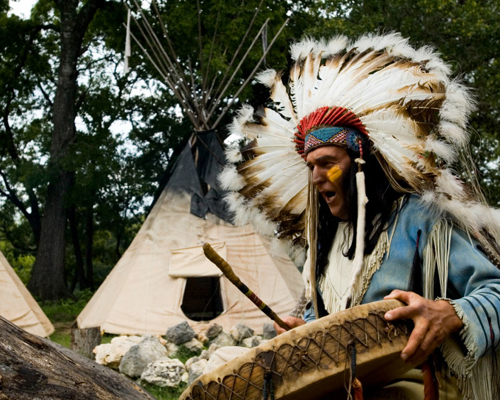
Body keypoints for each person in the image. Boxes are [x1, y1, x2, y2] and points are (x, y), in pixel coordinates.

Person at [220, 33, 500, 399]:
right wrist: (302, 336)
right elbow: (326, 325)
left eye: (327, 164)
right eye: (310, 167)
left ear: (359, 165)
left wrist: (447, 314)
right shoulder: (327, 244)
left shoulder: (420, 218)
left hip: (421, 387)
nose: (317, 177)